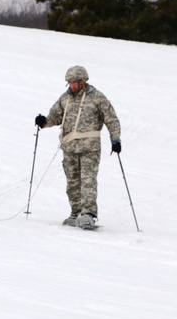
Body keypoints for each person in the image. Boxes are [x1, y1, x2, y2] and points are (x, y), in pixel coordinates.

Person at [35, 65, 121, 229]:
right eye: (69, 82)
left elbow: (111, 119)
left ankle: (88, 214)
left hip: (90, 148)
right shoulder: (65, 98)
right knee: (72, 183)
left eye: (74, 82)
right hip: (69, 148)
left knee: (88, 181)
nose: (72, 85)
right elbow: (55, 116)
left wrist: (115, 140)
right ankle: (75, 213)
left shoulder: (97, 97)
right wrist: (44, 121)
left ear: (83, 81)